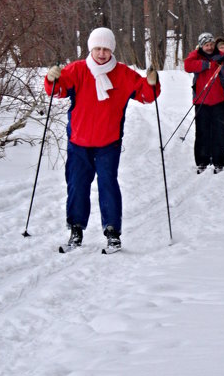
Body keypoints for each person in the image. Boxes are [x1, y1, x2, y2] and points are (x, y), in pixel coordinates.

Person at [44, 26, 160, 251]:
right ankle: (75, 230)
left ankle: (112, 233)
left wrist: (152, 83)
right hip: (79, 142)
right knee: (77, 186)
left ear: (112, 50)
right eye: (97, 48)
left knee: (108, 185)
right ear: (91, 48)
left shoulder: (123, 74)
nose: (101, 53)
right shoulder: (77, 70)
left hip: (109, 143)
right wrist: (51, 78)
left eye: (106, 49)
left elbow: (146, 96)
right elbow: (56, 91)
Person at [183, 33, 224, 174]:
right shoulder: (196, 55)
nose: (210, 47)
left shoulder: (221, 55)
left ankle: (219, 162)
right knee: (202, 133)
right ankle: (202, 162)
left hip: (219, 100)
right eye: (207, 45)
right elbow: (187, 66)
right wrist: (206, 65)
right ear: (201, 45)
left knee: (220, 132)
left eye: (211, 44)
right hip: (201, 101)